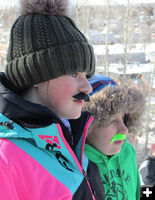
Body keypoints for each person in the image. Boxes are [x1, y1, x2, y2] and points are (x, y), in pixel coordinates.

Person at [0, 1, 106, 199]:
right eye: (74, 73)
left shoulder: (70, 140)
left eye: (87, 75)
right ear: (35, 75)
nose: (88, 87)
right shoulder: (6, 157)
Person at [83, 74, 147, 200]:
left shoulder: (128, 152)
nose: (124, 129)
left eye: (123, 117)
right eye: (112, 119)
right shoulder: (76, 163)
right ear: (89, 124)